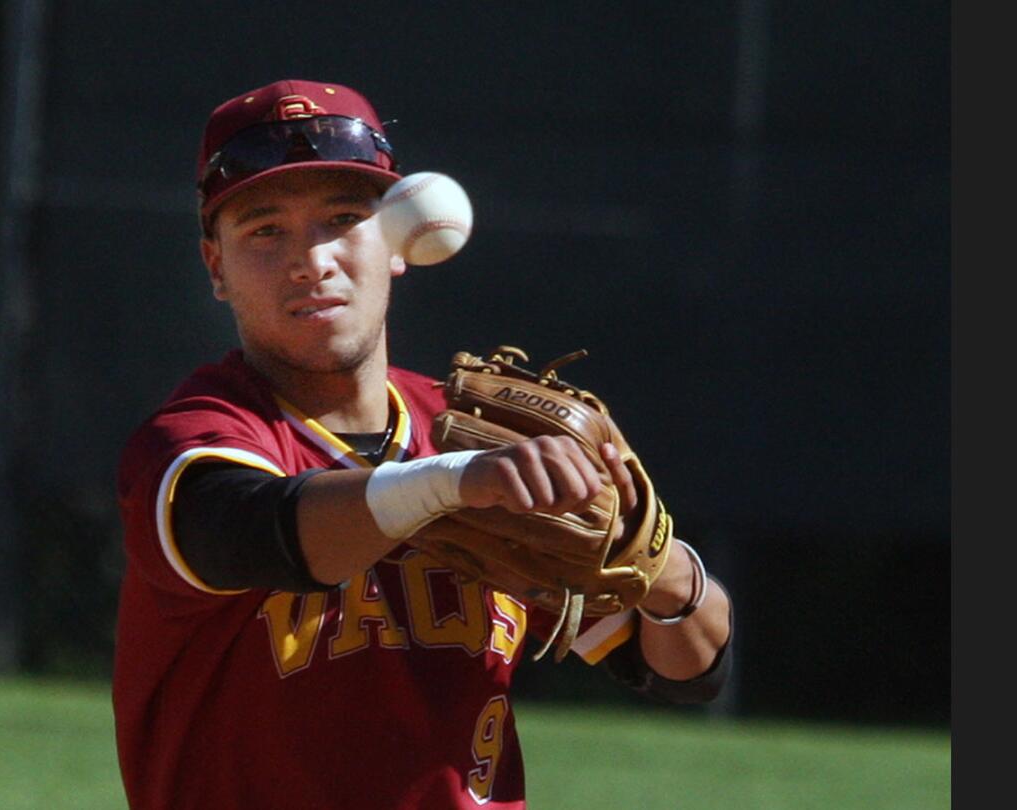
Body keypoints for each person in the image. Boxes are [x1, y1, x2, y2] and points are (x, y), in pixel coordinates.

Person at [111, 78, 734, 810]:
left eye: (342, 219)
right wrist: (453, 484)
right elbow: (253, 531)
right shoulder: (200, 437)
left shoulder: (467, 434)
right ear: (216, 266)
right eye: (265, 230)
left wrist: (657, 567)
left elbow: (686, 671)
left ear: (398, 243)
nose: (311, 260)